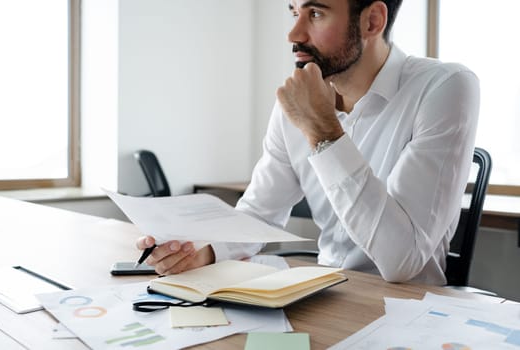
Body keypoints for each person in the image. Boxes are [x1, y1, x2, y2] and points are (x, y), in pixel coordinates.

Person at [137, 0, 479, 285]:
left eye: (315, 13)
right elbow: (259, 214)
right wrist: (203, 251)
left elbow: (403, 262)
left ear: (372, 21)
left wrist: (323, 132)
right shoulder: (295, 100)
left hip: (407, 311)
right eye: (293, 12)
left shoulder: (445, 86)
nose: (293, 34)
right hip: (326, 293)